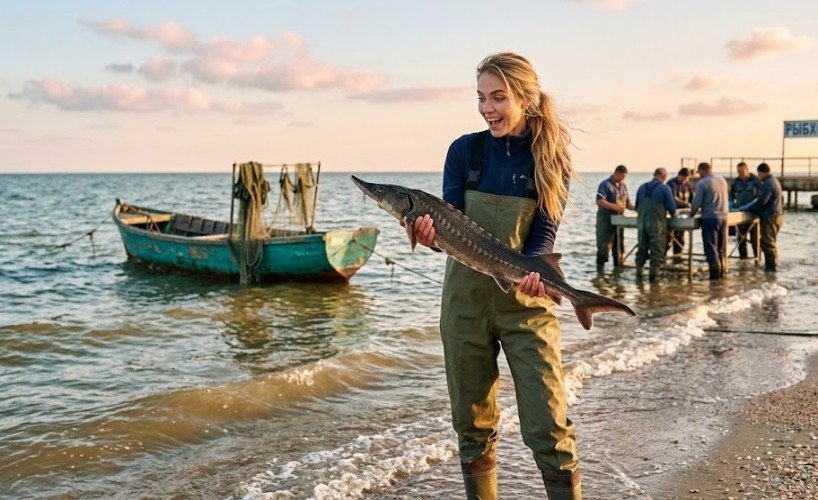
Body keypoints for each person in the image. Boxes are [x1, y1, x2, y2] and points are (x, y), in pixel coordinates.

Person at [410, 52, 581, 499]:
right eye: (481, 97)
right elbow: (451, 222)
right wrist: (429, 236)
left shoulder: (550, 160)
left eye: (499, 97)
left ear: (525, 98)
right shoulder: (464, 151)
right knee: (471, 427)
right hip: (464, 304)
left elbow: (543, 236)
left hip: (527, 304)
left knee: (549, 425)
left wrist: (535, 271)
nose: (488, 108)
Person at [635, 168, 677, 281]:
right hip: (657, 225)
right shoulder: (665, 188)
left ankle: (638, 276)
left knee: (641, 249)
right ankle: (653, 281)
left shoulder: (642, 187)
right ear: (663, 177)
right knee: (656, 251)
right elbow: (672, 209)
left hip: (641, 224)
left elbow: (637, 206)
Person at [689, 162, 729, 279]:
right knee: (720, 248)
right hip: (724, 216)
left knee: (711, 248)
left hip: (710, 218)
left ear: (702, 170)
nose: (699, 175)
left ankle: (715, 277)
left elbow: (697, 202)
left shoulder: (703, 183)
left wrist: (691, 214)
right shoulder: (722, 180)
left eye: (699, 172)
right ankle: (722, 276)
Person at [742, 163, 783, 271]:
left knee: (768, 243)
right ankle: (772, 266)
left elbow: (762, 201)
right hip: (777, 215)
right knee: (771, 242)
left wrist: (749, 208)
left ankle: (771, 268)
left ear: (762, 172)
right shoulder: (775, 181)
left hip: (770, 216)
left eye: (759, 174)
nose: (759, 176)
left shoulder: (768, 184)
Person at [595, 165, 634, 270]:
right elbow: (599, 201)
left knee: (619, 248)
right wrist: (614, 206)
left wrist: (636, 208)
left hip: (619, 221)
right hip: (606, 221)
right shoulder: (605, 184)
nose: (623, 179)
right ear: (616, 173)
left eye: (624, 177)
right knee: (603, 248)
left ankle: (617, 272)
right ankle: (600, 274)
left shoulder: (623, 186)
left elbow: (627, 203)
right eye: (622, 176)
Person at [730, 161, 761, 259]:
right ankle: (743, 260)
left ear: (747, 170)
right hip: (739, 213)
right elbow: (731, 196)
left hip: (753, 213)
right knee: (741, 239)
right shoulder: (736, 182)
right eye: (738, 172)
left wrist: (749, 206)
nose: (741, 174)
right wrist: (731, 206)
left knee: (755, 239)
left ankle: (757, 258)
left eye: (742, 171)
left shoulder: (756, 181)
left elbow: (759, 198)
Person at [665, 167, 692, 256]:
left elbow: (692, 199)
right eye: (683, 178)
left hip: (683, 216)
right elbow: (672, 199)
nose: (684, 180)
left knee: (680, 239)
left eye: (686, 179)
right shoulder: (671, 184)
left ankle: (678, 258)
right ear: (679, 176)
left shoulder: (687, 185)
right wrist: (686, 204)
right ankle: (662, 259)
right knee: (668, 239)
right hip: (672, 215)